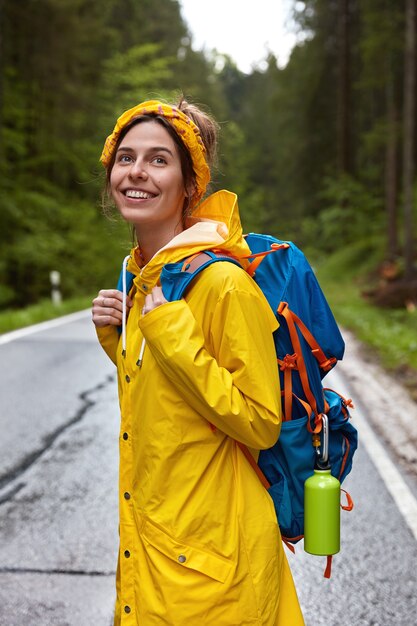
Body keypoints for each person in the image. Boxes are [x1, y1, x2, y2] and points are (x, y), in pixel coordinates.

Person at [92, 98, 305, 625]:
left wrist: (170, 333)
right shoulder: (141, 282)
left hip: (216, 577)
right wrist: (116, 343)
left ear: (191, 185)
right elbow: (166, 422)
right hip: (152, 557)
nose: (136, 171)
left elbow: (258, 421)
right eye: (126, 158)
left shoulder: (223, 284)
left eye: (158, 159)